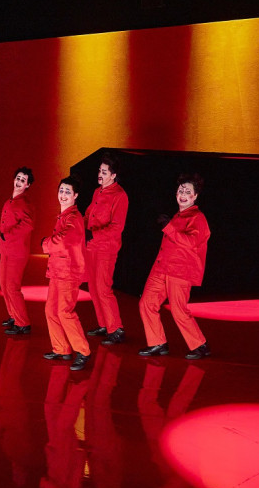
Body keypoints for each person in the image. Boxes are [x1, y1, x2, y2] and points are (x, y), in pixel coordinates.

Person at [138, 173, 212, 359]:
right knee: (147, 303)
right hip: (162, 268)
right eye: (180, 190)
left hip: (180, 271)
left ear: (195, 196)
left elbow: (191, 242)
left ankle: (200, 345)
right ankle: (157, 343)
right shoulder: (178, 216)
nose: (183, 194)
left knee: (178, 309)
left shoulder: (198, 217)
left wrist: (168, 227)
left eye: (188, 192)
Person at [42, 176, 92, 371]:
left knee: (64, 311)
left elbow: (63, 241)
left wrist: (46, 243)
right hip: (58, 270)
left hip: (69, 272)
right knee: (51, 310)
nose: (63, 195)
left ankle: (83, 351)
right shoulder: (64, 216)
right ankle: (61, 348)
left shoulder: (73, 218)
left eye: (67, 192)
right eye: (61, 190)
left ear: (75, 195)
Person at [84, 153, 129, 346]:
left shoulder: (120, 196)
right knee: (93, 287)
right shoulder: (98, 192)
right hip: (91, 247)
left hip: (106, 249)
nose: (100, 174)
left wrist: (94, 234)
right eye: (99, 170)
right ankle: (104, 324)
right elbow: (89, 214)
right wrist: (82, 229)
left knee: (103, 287)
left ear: (113, 175)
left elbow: (116, 227)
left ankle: (116, 329)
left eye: (104, 172)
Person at [0, 167, 35, 335]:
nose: (19, 182)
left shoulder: (24, 203)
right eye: (18, 178)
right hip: (6, 248)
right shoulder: (10, 201)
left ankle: (23, 323)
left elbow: (28, 225)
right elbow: (7, 224)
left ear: (27, 185)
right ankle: (14, 315)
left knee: (12, 286)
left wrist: (7, 235)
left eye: (23, 180)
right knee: (4, 285)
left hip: (17, 251)